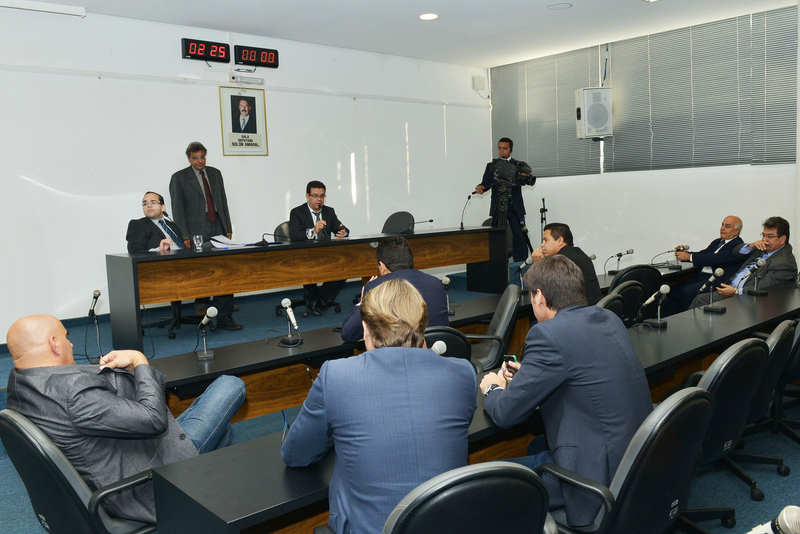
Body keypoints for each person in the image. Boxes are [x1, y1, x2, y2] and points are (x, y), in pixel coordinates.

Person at [5, 314, 246, 524]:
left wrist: (114, 372)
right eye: (66, 337)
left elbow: (80, 397)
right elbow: (154, 419)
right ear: (54, 344)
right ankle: (212, 503)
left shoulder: (20, 384)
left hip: (116, 460)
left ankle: (216, 505)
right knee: (231, 385)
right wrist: (139, 361)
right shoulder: (73, 394)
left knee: (224, 432)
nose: (71, 343)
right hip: (144, 485)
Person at [282, 279, 477, 534]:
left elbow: (296, 455)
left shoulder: (336, 376)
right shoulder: (463, 374)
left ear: (365, 328)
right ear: (424, 326)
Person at [479, 255, 652, 527]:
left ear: (539, 296)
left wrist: (493, 387)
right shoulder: (608, 318)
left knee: (481, 484)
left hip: (593, 480)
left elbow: (505, 414)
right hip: (635, 461)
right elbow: (579, 369)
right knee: (536, 444)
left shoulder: (548, 334)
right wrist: (530, 374)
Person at [169, 142, 241, 329]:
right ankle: (202, 306)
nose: (200, 161)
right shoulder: (179, 178)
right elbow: (178, 209)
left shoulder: (215, 174)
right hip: (195, 230)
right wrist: (184, 235)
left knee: (223, 267)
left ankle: (225, 313)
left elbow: (223, 201)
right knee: (201, 268)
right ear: (189, 158)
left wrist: (227, 226)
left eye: (202, 157)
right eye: (195, 158)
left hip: (217, 225)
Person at [340, 236, 448, 342]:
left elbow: (349, 333)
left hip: (402, 352)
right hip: (438, 348)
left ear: (382, 266)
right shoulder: (435, 282)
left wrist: (362, 302)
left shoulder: (375, 287)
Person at [690, 216, 797, 309]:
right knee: (699, 298)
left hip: (748, 299)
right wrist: (751, 246)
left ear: (782, 239)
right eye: (763, 235)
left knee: (700, 300)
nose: (765, 240)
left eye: (770, 236)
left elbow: (765, 288)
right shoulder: (761, 248)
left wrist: (736, 291)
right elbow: (736, 252)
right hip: (730, 289)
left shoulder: (784, 262)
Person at [288, 180, 349, 315]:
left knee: (344, 267)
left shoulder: (329, 211)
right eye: (315, 196)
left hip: (326, 254)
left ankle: (321, 299)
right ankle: (317, 300)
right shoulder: (297, 212)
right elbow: (294, 234)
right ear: (307, 196)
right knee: (310, 267)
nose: (319, 199)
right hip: (304, 255)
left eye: (322, 196)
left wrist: (343, 232)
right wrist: (313, 231)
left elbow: (340, 227)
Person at [666, 215, 745, 314]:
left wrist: (689, 257)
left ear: (736, 231)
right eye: (722, 225)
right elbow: (703, 254)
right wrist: (685, 253)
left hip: (716, 281)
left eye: (727, 226)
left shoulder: (737, 246)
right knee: (672, 290)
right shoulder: (717, 242)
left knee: (688, 291)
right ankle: (669, 319)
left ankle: (686, 318)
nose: (722, 228)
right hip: (702, 277)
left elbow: (716, 259)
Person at [475, 137, 533, 262]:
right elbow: (486, 183)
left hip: (514, 205)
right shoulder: (491, 166)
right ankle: (499, 262)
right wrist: (480, 187)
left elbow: (524, 181)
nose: (502, 151)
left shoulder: (518, 165)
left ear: (510, 149)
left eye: (505, 148)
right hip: (498, 205)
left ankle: (520, 262)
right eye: (500, 148)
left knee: (519, 235)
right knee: (497, 236)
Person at [530, 222, 601, 305]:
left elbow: (543, 292)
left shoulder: (561, 260)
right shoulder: (578, 253)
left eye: (546, 240)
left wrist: (538, 264)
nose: (542, 245)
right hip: (594, 308)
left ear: (560, 241)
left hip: (579, 311)